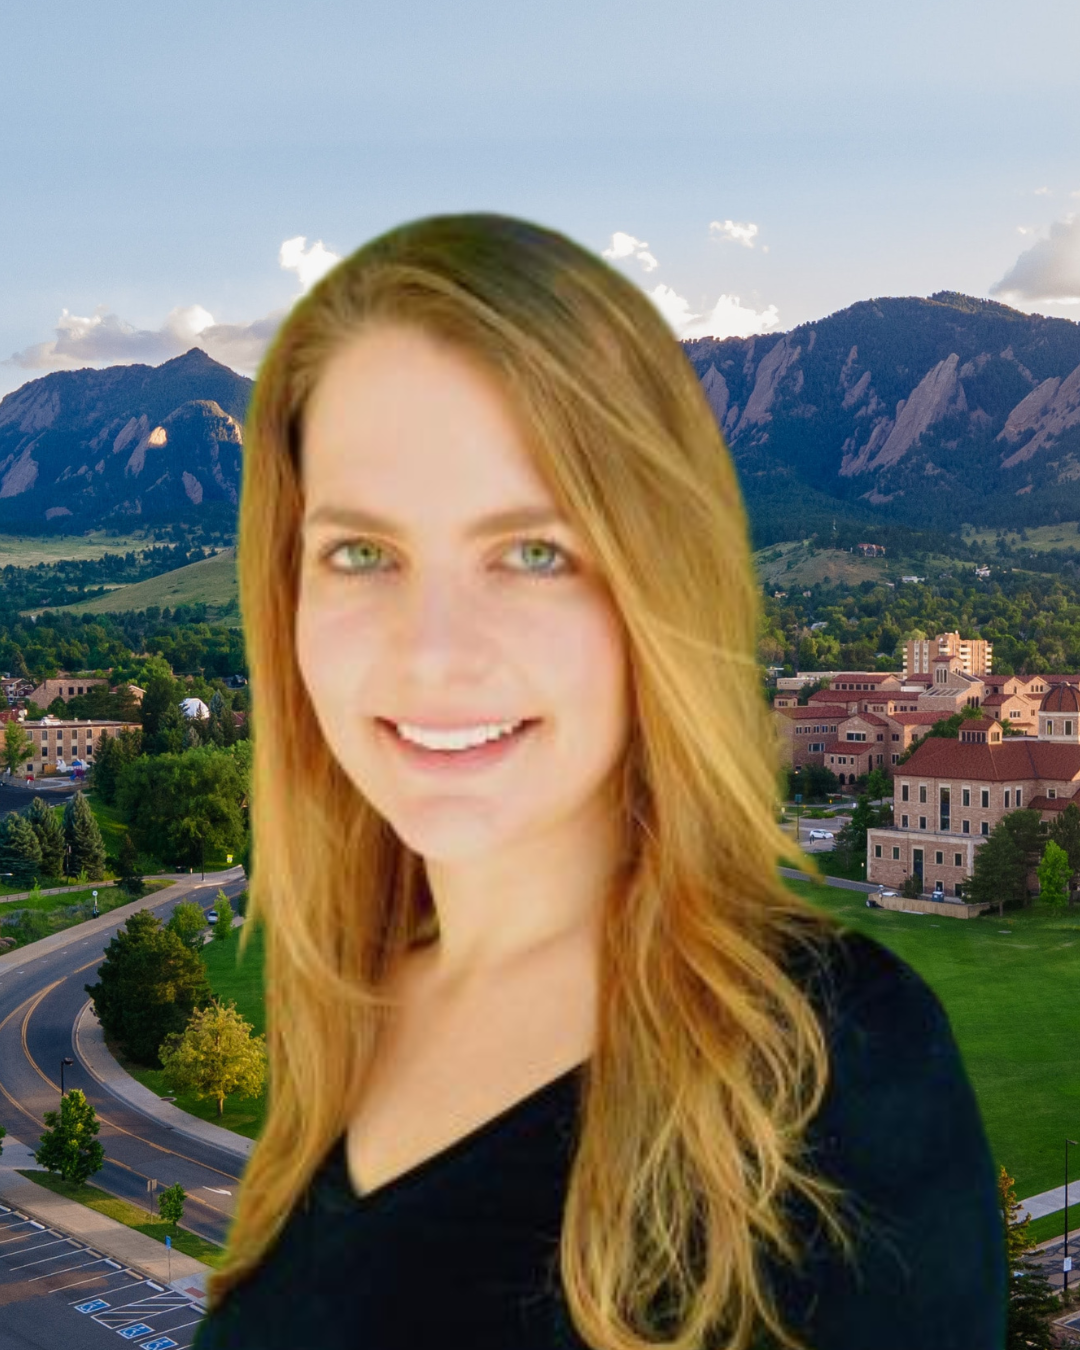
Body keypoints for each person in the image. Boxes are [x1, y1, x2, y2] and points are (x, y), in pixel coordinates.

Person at [192, 213, 1005, 1350]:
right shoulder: (346, 1000)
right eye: (361, 552)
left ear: (656, 589)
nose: (433, 654)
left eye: (533, 552)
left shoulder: (832, 1078)